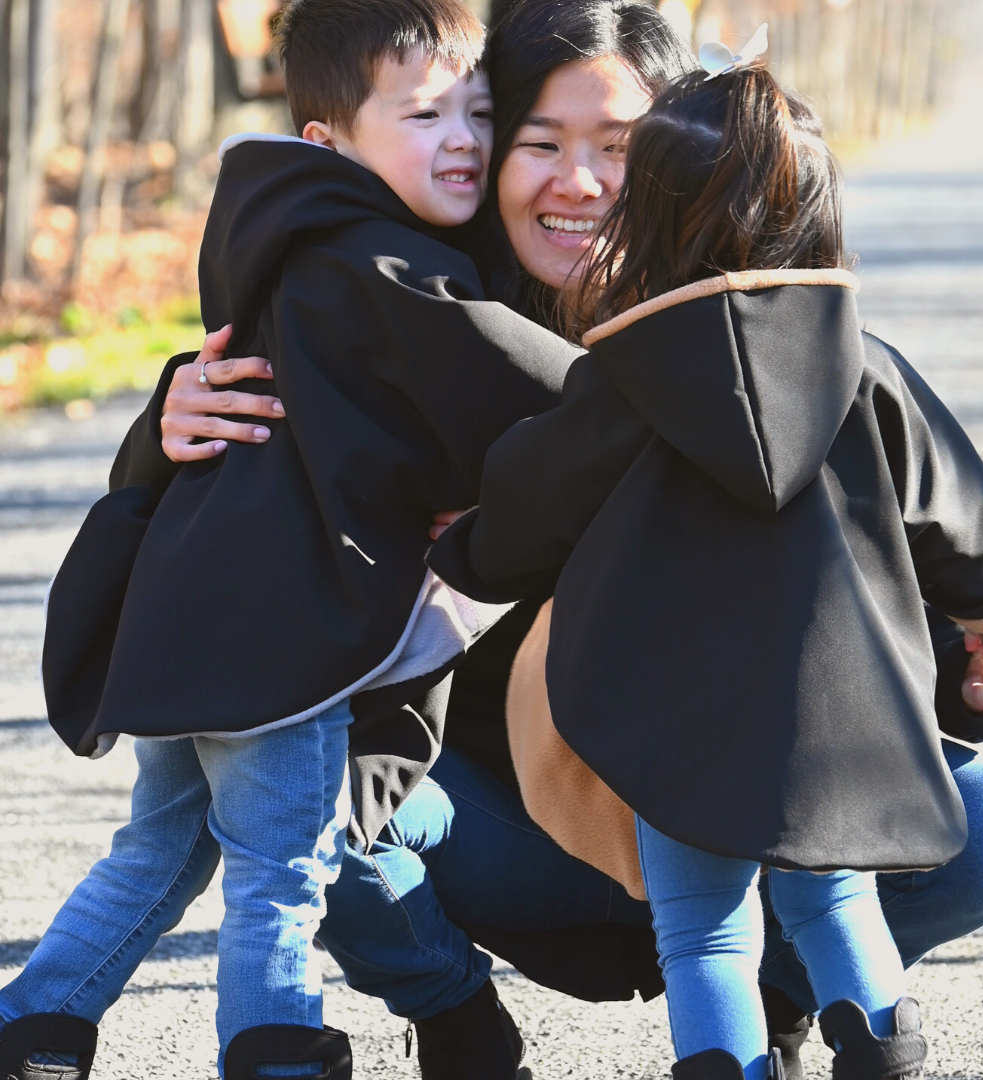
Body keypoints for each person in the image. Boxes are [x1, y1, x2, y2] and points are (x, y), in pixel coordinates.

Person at [95, 2, 983, 1079]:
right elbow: (224, 536)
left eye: (622, 148)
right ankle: (456, 1008)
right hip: (501, 827)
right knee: (308, 800)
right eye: (540, 144)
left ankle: (776, 1003)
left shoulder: (779, 348)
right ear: (480, 139)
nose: (582, 183)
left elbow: (865, 617)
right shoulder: (392, 314)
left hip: (752, 809)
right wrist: (164, 432)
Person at [425, 60, 983, 1080]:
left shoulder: (620, 384)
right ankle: (883, 1050)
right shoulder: (868, 369)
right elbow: (964, 523)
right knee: (835, 899)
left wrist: (458, 544)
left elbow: (520, 525)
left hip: (669, 734)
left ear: (653, 221)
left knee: (706, 935)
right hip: (838, 725)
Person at [6, 2, 579, 1078]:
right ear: (332, 141)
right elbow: (527, 392)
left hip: (188, 617)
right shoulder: (385, 264)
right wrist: (640, 399)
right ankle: (274, 1041)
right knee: (284, 862)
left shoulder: (286, 235)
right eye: (421, 114)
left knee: (160, 849)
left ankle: (38, 1024)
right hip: (285, 635)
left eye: (477, 110)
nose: (460, 136)